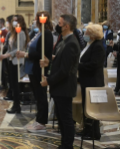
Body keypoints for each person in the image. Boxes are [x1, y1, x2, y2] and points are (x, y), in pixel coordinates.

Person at [40, 14, 80, 149]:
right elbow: (60, 60)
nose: (58, 25)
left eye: (60, 23)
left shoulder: (71, 44)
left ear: (67, 26)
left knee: (66, 119)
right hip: (59, 88)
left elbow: (65, 70)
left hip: (65, 87)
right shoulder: (64, 41)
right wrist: (49, 61)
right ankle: (64, 143)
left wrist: (49, 81)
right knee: (61, 118)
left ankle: (68, 145)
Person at [17, 11, 53, 132]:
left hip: (40, 69)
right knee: (37, 96)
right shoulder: (39, 33)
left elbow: (42, 53)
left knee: (41, 95)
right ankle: (38, 119)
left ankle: (42, 122)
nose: (35, 21)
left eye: (36, 19)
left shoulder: (47, 34)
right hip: (33, 69)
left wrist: (26, 54)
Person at [77, 23, 105, 140]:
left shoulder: (98, 46)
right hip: (86, 81)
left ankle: (94, 133)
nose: (84, 34)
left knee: (93, 108)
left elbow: (94, 64)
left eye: (86, 32)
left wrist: (78, 66)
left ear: (92, 34)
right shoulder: (90, 45)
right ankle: (87, 130)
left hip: (93, 82)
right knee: (86, 107)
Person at [0, 15, 29, 114]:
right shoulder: (12, 33)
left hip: (17, 61)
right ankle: (15, 104)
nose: (14, 22)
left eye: (16, 21)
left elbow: (19, 49)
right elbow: (10, 47)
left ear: (20, 22)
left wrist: (6, 55)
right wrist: (5, 54)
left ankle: (17, 106)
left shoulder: (21, 33)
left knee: (16, 85)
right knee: (12, 84)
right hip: (11, 61)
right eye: (13, 20)